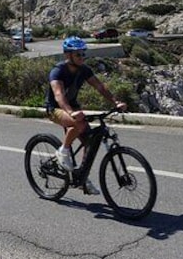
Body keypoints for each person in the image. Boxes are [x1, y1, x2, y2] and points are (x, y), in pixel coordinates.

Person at [46, 36, 127, 195]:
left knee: (90, 143)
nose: (82, 57)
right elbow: (58, 95)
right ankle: (63, 150)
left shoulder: (84, 70)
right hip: (55, 109)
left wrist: (115, 101)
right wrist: (71, 112)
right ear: (68, 55)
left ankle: (82, 178)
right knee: (80, 124)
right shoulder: (58, 70)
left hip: (73, 108)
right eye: (78, 55)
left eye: (83, 54)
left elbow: (100, 87)